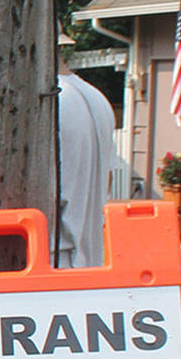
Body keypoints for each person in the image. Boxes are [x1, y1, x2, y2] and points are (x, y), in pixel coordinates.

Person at [53, 63, 121, 269]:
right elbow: (107, 180)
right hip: (90, 262)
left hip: (47, 260)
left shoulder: (47, 98)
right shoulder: (97, 97)